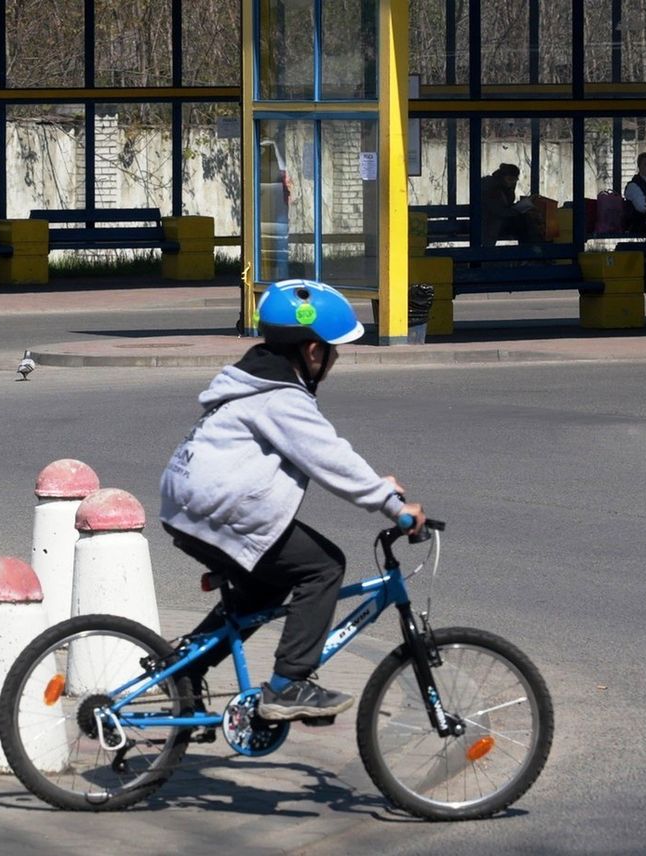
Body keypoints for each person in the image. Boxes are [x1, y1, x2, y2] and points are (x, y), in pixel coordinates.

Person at [159, 279, 425, 721]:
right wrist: (391, 503)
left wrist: (379, 486)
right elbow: (329, 457)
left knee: (265, 589)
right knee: (323, 567)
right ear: (313, 351)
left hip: (189, 505)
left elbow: (325, 454)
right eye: (333, 351)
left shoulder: (258, 380)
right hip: (215, 509)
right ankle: (287, 685)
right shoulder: (281, 397)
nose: (335, 360)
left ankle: (185, 668)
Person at [478, 162, 544, 246]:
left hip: (497, 222)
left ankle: (531, 251)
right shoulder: (491, 188)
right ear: (502, 177)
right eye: (510, 179)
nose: (512, 183)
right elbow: (501, 211)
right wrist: (522, 206)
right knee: (523, 221)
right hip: (489, 224)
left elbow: (505, 208)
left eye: (514, 180)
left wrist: (524, 205)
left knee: (525, 221)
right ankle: (531, 251)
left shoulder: (503, 188)